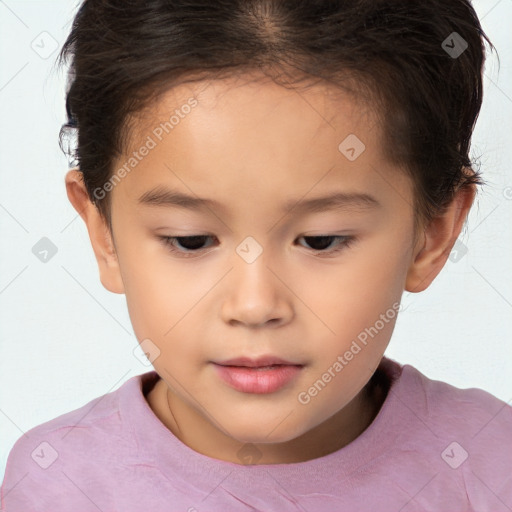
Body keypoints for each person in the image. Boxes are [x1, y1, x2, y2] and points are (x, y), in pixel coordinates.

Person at [2, 0, 511, 510]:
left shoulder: (490, 465)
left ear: (433, 233)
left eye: (320, 240)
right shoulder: (58, 486)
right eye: (190, 240)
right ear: (104, 233)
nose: (254, 305)